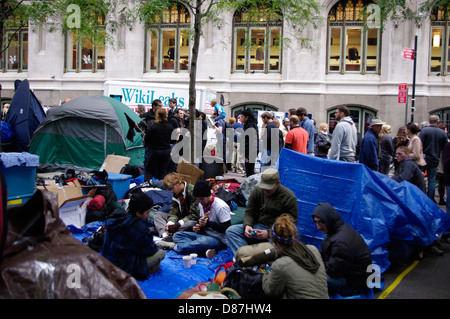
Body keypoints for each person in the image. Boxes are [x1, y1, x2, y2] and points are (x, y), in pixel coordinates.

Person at [226, 168, 298, 255]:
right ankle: (246, 256)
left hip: (276, 232)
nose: (266, 190)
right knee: (231, 231)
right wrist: (248, 225)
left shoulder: (288, 197)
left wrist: (269, 233)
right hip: (258, 226)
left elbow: (290, 225)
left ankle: (252, 257)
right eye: (264, 187)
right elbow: (249, 211)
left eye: (269, 188)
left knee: (279, 248)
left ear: (277, 183)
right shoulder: (258, 190)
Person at [101, 189, 166, 281]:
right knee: (160, 253)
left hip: (106, 261)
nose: (148, 215)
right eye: (147, 212)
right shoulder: (139, 228)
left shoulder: (115, 218)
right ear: (138, 213)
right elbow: (149, 251)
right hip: (124, 266)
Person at [158, 180, 231, 258]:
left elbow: (226, 228)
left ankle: (174, 247)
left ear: (207, 195)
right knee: (177, 235)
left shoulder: (221, 206)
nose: (200, 201)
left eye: (201, 199)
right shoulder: (201, 204)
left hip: (218, 239)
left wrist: (208, 223)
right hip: (205, 235)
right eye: (198, 199)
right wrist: (199, 228)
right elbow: (203, 226)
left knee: (202, 242)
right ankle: (202, 250)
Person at [311, 202, 372, 297]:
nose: (318, 227)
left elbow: (333, 271)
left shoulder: (340, 243)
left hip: (353, 285)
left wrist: (315, 264)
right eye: (316, 222)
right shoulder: (339, 229)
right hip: (355, 275)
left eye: (321, 222)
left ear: (329, 220)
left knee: (314, 276)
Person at [262, 215, 329, 299]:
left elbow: (269, 290)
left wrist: (267, 271)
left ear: (276, 242)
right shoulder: (313, 250)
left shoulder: (281, 265)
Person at [153, 172, 200, 240]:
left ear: (179, 182)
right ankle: (165, 235)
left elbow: (194, 215)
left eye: (172, 188)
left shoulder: (193, 191)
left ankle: (173, 234)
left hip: (190, 220)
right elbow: (173, 212)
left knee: (190, 224)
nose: (171, 191)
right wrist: (170, 224)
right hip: (180, 218)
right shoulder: (176, 194)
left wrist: (177, 225)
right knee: (158, 215)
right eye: (169, 189)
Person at [419, 115, 448, 201]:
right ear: (438, 122)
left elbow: (420, 144)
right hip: (435, 158)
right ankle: (430, 199)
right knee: (432, 179)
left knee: (421, 176)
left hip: (424, 157)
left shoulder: (424, 131)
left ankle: (422, 197)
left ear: (429, 121)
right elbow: (445, 147)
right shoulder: (442, 133)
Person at [144, 108, 175, 180]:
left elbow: (147, 139)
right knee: (163, 171)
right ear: (166, 115)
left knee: (149, 171)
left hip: (154, 151)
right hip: (165, 151)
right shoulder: (170, 127)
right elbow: (172, 141)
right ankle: (162, 187)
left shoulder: (153, 127)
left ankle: (147, 186)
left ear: (157, 115)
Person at [139, 99, 163, 181]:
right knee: (148, 164)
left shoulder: (161, 117)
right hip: (150, 146)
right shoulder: (145, 117)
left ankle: (156, 181)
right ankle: (147, 181)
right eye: (159, 106)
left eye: (161, 106)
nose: (161, 107)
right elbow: (141, 129)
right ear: (154, 106)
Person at [239, 108, 259, 177]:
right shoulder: (248, 126)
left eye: (242, 117)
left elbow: (251, 142)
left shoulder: (250, 127)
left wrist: (247, 156)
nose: (240, 118)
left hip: (250, 154)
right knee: (249, 172)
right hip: (249, 153)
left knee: (249, 172)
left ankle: (251, 187)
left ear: (247, 117)